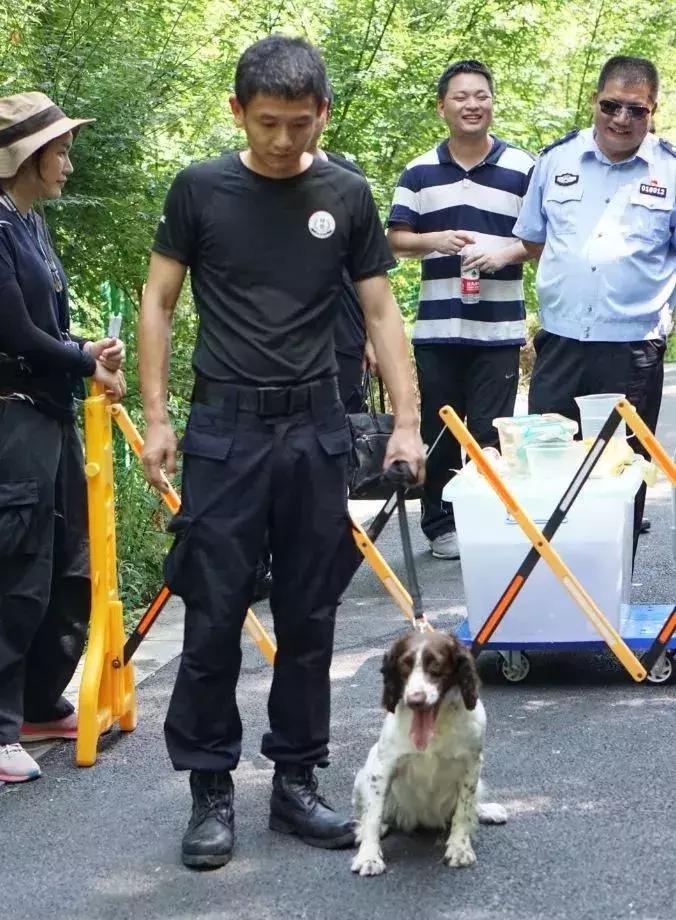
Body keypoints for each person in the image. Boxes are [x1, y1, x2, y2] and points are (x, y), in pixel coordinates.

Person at [138, 35, 424, 870]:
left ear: (322, 114)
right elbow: (158, 301)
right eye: (268, 123)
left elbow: (380, 312)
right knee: (214, 615)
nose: (284, 141)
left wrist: (405, 422)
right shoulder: (199, 189)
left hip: (315, 429)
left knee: (310, 615)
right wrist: (158, 418)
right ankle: (210, 791)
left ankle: (296, 781)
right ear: (237, 111)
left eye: (300, 123)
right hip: (224, 434)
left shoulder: (346, 192)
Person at [0, 92, 126, 784]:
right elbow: (14, 333)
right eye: (60, 149)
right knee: (17, 568)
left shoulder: (32, 225)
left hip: (49, 414)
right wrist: (86, 359)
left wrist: (88, 351)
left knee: (67, 562)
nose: (68, 163)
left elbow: (45, 330)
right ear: (27, 157)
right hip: (11, 419)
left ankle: (42, 699)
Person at [513, 55, 675, 554]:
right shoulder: (555, 161)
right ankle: (554, 574)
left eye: (636, 110)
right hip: (561, 341)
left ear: (653, 111)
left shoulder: (670, 169)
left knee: (623, 468)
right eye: (611, 106)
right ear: (594, 102)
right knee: (549, 461)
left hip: (632, 345)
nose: (621, 119)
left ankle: (613, 592)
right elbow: (536, 241)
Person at [387, 60, 533, 560]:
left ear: (493, 102)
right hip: (437, 325)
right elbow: (395, 240)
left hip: (500, 326)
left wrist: (505, 252)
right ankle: (440, 523)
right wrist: (435, 239)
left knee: (493, 429)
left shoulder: (524, 168)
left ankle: (491, 516)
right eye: (460, 97)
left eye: (481, 95)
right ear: (442, 106)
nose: (472, 105)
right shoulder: (419, 170)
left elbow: (543, 239)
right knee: (441, 426)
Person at [307, 87, 373, 413]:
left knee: (343, 429)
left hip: (343, 331)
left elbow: (370, 270)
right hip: (272, 344)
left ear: (325, 113)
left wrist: (373, 338)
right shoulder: (244, 182)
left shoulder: (349, 178)